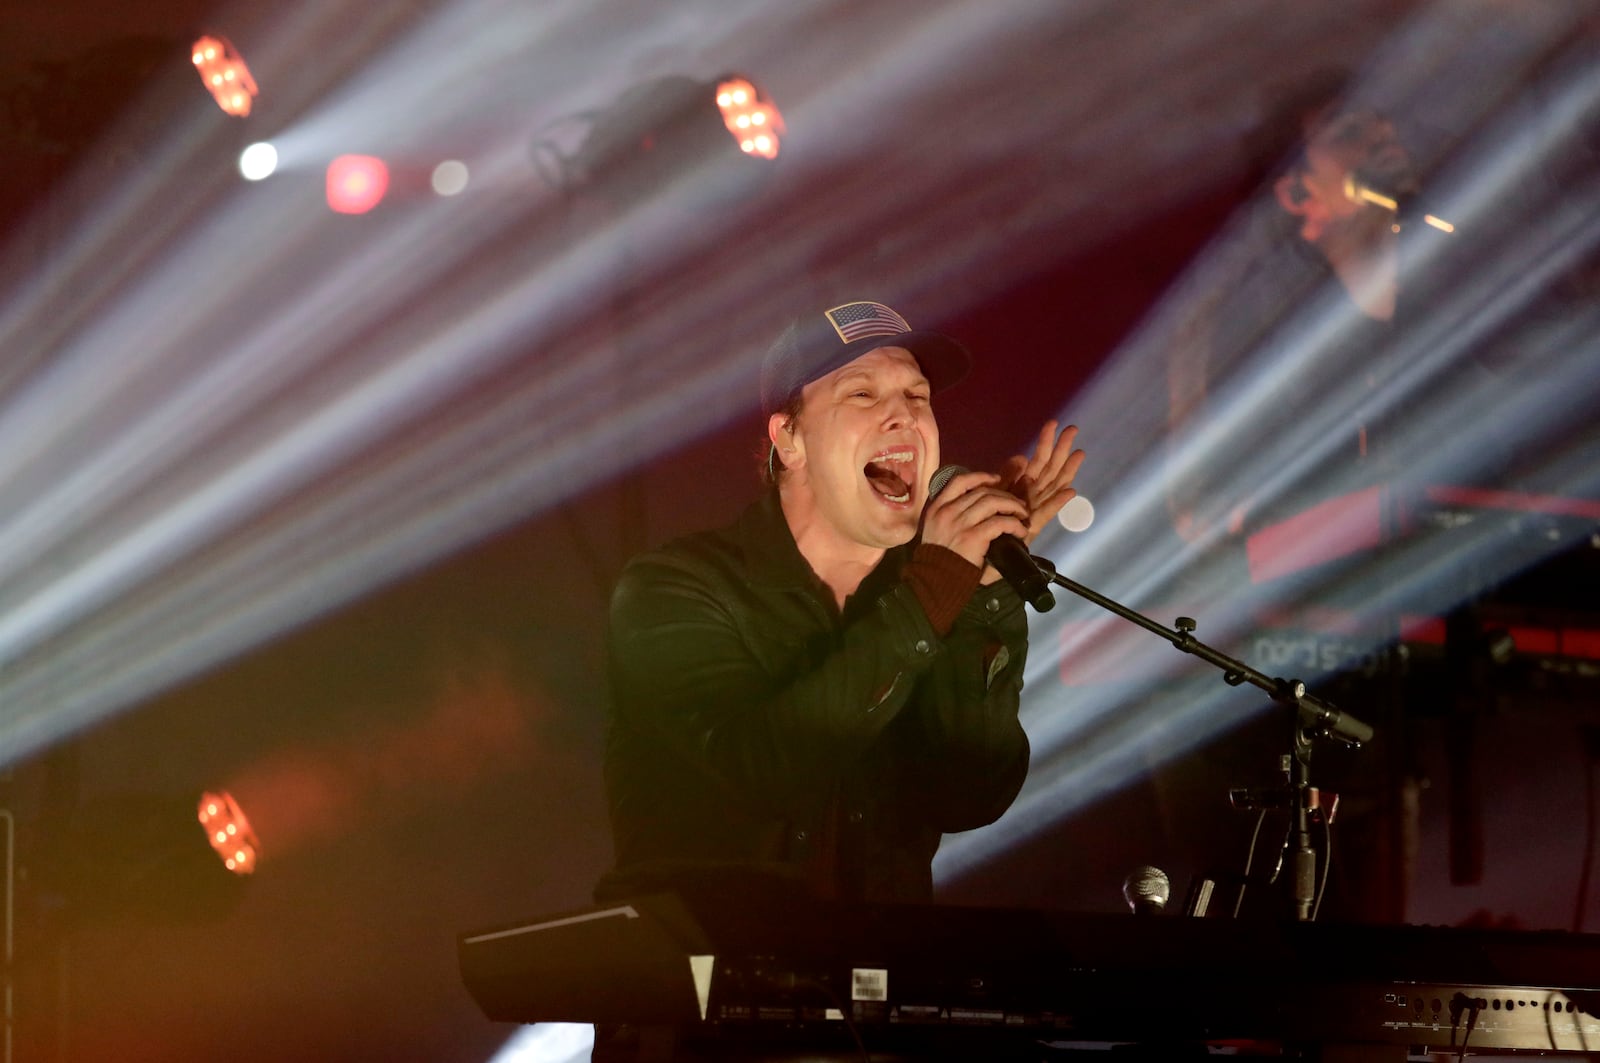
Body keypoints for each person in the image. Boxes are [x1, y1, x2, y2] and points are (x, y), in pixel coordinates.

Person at [595, 299, 1083, 906]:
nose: (903, 416)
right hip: (706, 980)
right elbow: (759, 775)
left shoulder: (932, 591)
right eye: (862, 395)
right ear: (789, 438)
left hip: (885, 985)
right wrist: (934, 590)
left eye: (918, 396)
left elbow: (971, 794)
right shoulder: (675, 590)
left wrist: (985, 596)